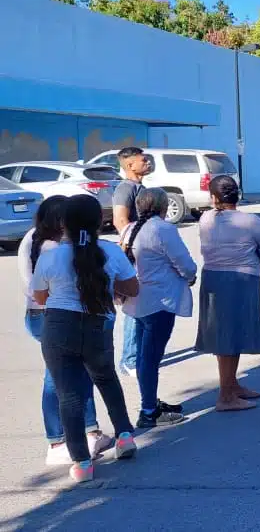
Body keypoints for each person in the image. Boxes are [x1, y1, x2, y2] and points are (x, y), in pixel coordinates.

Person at [32, 194, 139, 483]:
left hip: (58, 326)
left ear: (63, 222)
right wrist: (108, 285)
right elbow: (133, 287)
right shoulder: (110, 252)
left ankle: (81, 463)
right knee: (106, 379)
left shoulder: (50, 255)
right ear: (98, 222)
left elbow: (39, 297)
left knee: (69, 394)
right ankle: (125, 436)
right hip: (98, 324)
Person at [19, 196, 114, 466]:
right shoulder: (52, 248)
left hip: (43, 314)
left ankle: (87, 430)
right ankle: (59, 439)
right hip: (50, 315)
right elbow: (38, 290)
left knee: (72, 374)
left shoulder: (36, 240)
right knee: (61, 378)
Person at [195, 175, 260, 412]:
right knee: (232, 335)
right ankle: (225, 395)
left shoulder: (206, 218)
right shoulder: (250, 221)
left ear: (213, 197)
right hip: (241, 278)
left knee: (225, 335)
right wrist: (251, 257)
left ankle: (231, 385)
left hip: (213, 278)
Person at [121, 188, 197, 428]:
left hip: (138, 301)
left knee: (146, 357)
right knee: (150, 358)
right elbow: (185, 264)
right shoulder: (163, 229)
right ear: (164, 207)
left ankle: (150, 402)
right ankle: (149, 411)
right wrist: (190, 276)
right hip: (160, 301)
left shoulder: (130, 229)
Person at [112, 146, 151, 377]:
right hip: (135, 255)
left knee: (143, 305)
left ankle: (138, 354)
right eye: (143, 160)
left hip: (145, 253)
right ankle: (129, 359)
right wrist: (135, 247)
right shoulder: (125, 189)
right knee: (134, 307)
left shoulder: (140, 187)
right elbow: (121, 221)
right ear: (129, 165)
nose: (147, 163)